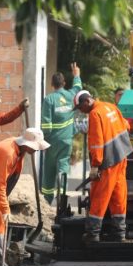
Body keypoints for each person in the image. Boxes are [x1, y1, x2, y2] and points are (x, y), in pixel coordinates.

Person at [0, 128, 50, 266]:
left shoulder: (19, 151)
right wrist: (5, 208)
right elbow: (0, 183)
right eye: (36, 146)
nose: (37, 150)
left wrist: (3, 209)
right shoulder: (8, 153)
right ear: (27, 144)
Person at [73, 90, 133, 242]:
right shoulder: (111, 107)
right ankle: (120, 232)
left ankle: (93, 233)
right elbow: (126, 126)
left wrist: (95, 165)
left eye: (80, 107)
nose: (81, 111)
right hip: (122, 157)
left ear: (86, 102)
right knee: (118, 195)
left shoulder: (95, 114)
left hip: (109, 161)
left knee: (100, 195)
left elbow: (97, 142)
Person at [40, 63, 83, 204]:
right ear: (64, 83)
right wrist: (76, 75)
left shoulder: (49, 99)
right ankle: (63, 199)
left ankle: (47, 199)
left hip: (52, 142)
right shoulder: (71, 96)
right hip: (67, 140)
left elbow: (46, 124)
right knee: (63, 167)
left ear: (52, 84)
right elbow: (78, 88)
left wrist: (44, 142)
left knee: (50, 170)